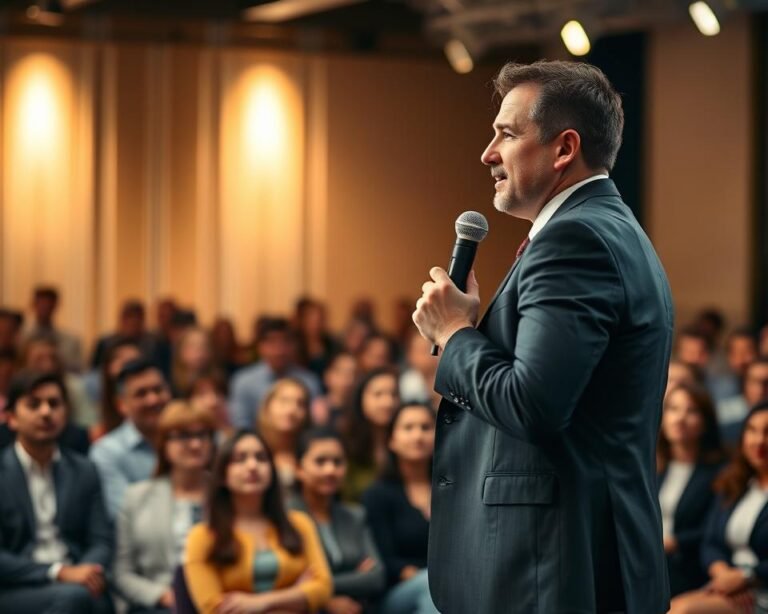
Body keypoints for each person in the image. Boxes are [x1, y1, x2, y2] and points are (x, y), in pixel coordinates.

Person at [412, 60, 673, 613]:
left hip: (553, 567)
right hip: (571, 555)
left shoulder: (576, 237)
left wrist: (455, 333)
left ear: (563, 149)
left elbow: (534, 405)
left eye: (506, 134)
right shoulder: (605, 227)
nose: (488, 153)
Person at [183, 430, 333, 614]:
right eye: (240, 459)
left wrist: (259, 603)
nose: (253, 466)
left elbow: (323, 588)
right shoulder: (202, 536)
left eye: (261, 458)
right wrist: (295, 594)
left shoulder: (299, 523)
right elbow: (214, 608)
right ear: (222, 474)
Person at [0, 370, 113, 613]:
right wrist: (59, 572)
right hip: (18, 588)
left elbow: (101, 540)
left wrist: (87, 571)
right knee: (74, 600)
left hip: (78, 581)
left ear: (66, 413)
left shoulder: (84, 469)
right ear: (11, 418)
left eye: (54, 403)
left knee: (96, 601)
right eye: (34, 404)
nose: (46, 412)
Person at [114, 401, 215, 613]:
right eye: (184, 436)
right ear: (163, 445)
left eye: (202, 435)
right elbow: (121, 573)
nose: (196, 445)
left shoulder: (226, 494)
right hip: (160, 604)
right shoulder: (137, 497)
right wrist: (161, 595)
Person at [670, 400, 768, 613]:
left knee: (683, 611)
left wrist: (747, 577)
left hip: (761, 589)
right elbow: (710, 541)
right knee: (671, 607)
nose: (759, 441)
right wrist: (724, 575)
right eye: (752, 431)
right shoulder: (734, 483)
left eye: (767, 432)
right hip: (728, 586)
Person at [291, 427, 386, 613]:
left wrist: (317, 586)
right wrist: (326, 600)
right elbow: (288, 583)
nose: (330, 470)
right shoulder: (288, 516)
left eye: (337, 462)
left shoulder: (354, 515)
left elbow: (376, 577)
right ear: (298, 469)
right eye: (320, 462)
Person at [362, 403, 438, 614]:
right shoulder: (378, 494)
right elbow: (383, 557)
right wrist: (410, 572)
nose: (418, 436)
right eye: (408, 428)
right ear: (391, 440)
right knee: (429, 586)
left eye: (425, 427)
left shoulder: (452, 491)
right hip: (397, 591)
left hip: (451, 582)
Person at [657, 383, 724, 596]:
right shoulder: (652, 468)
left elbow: (714, 529)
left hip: (687, 567)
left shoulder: (719, 473)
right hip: (650, 560)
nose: (680, 418)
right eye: (673, 409)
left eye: (691, 410)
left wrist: (674, 543)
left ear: (705, 422)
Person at [90, 358, 171, 518]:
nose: (153, 400)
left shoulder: (192, 439)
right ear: (122, 405)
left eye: (158, 390)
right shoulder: (107, 452)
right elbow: (123, 515)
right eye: (141, 394)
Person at [229, 317, 322, 429]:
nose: (279, 350)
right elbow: (241, 424)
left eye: (285, 342)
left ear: (293, 346)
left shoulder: (309, 381)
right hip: (254, 442)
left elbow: (314, 423)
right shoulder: (244, 381)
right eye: (272, 342)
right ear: (260, 347)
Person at [340, 368, 400, 502]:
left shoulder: (405, 442)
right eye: (378, 394)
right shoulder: (344, 442)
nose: (387, 402)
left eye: (394, 394)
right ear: (360, 398)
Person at [256, 378, 312, 493]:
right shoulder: (252, 445)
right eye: (284, 401)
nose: (292, 410)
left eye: (300, 404)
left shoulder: (311, 449)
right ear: (267, 406)